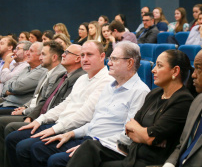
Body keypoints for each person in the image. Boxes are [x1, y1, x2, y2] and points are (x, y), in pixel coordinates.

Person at [27, 41, 150, 167]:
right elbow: (94, 123)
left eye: (114, 59)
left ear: (129, 63)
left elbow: (128, 136)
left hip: (108, 146)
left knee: (56, 160)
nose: (109, 63)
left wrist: (90, 147)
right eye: (110, 58)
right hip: (90, 139)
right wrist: (71, 134)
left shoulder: (140, 92)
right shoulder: (109, 87)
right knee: (39, 149)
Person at [66, 49, 195, 167]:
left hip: (150, 161)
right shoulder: (154, 94)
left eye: (159, 66)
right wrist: (145, 135)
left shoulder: (182, 100)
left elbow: (151, 137)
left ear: (175, 71)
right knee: (90, 148)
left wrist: (146, 136)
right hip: (133, 153)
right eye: (155, 65)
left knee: (93, 156)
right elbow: (130, 127)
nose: (153, 70)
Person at [5, 40, 114, 167]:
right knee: (12, 138)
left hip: (74, 128)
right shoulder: (82, 78)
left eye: (89, 55)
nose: (84, 59)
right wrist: (40, 120)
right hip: (61, 123)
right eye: (82, 55)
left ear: (102, 56)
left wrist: (54, 129)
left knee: (27, 148)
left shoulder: (106, 81)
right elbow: (65, 104)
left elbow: (85, 115)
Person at [0, 43, 85, 167]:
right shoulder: (62, 75)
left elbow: (64, 107)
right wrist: (30, 113)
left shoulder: (77, 77)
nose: (63, 55)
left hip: (56, 121)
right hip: (42, 115)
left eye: (67, 53)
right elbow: (43, 98)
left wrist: (31, 115)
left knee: (9, 130)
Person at [0, 42, 46, 167]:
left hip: (16, 105)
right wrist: (8, 88)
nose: (27, 53)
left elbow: (17, 86)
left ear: (41, 55)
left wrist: (9, 88)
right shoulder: (27, 68)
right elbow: (5, 83)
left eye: (31, 51)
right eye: (27, 50)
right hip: (7, 101)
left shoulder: (41, 71)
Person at [163, 50, 202, 167]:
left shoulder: (186, 99)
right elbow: (183, 144)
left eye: (199, 68)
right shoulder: (197, 101)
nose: (193, 75)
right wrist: (169, 164)